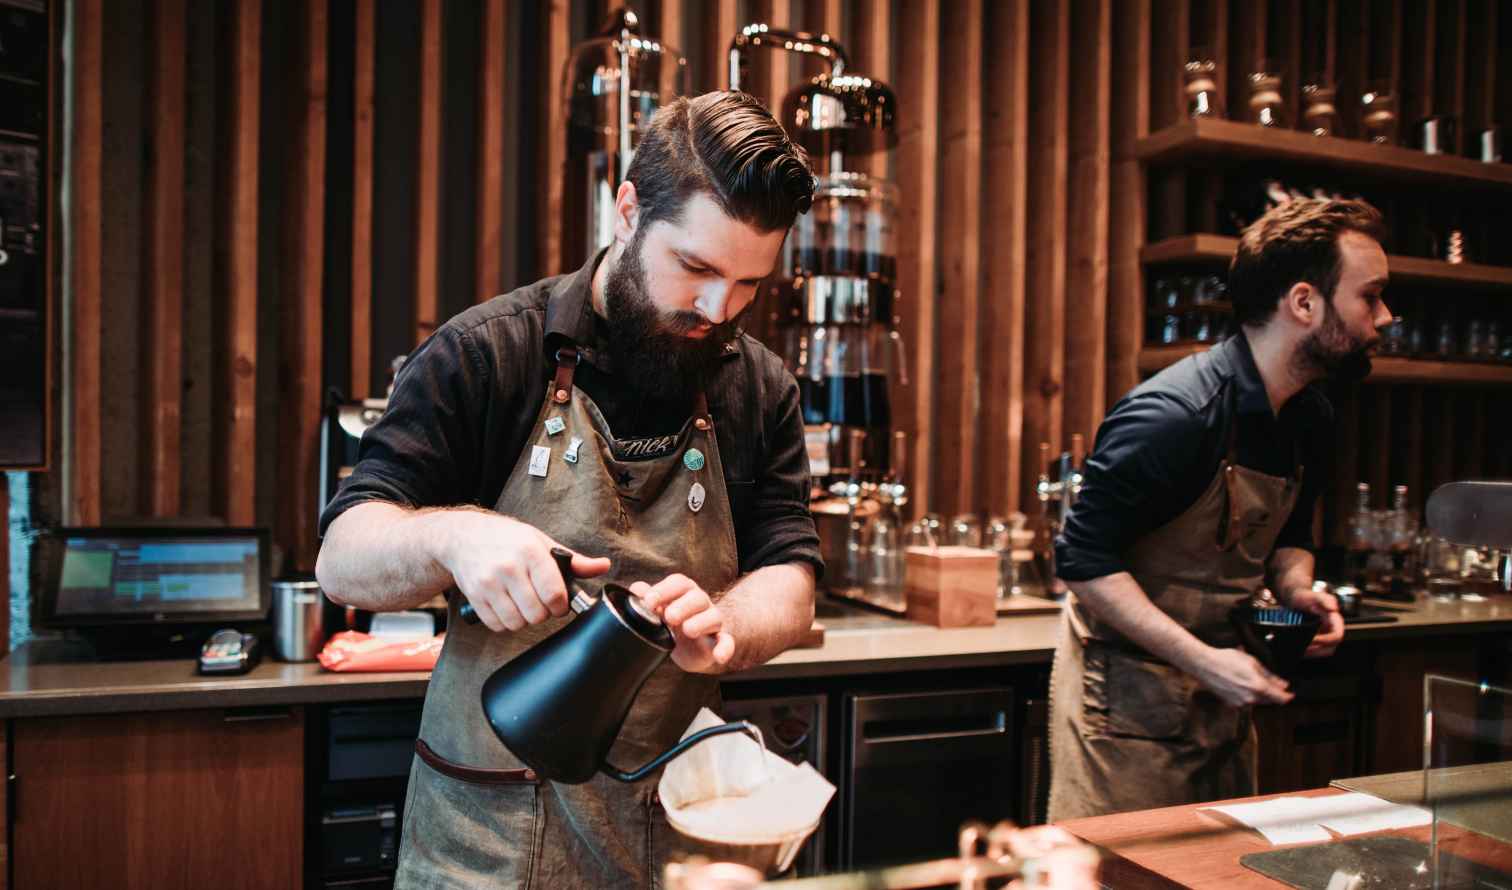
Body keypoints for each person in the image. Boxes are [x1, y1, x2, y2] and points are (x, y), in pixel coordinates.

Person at [315, 91, 823, 888]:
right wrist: (456, 538)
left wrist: (725, 624)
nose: (719, 309)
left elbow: (792, 579)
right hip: (485, 833)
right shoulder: (488, 354)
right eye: (694, 268)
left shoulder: (757, 387)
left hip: (672, 834)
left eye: (749, 284)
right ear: (626, 211)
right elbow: (343, 557)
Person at [1047, 198, 1392, 821]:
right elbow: (1081, 559)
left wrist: (1297, 591)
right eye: (1371, 297)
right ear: (1305, 303)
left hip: (1223, 692)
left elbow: (1290, 531)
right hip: (1124, 707)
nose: (1385, 317)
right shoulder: (1174, 416)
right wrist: (1202, 661)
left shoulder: (1310, 416)